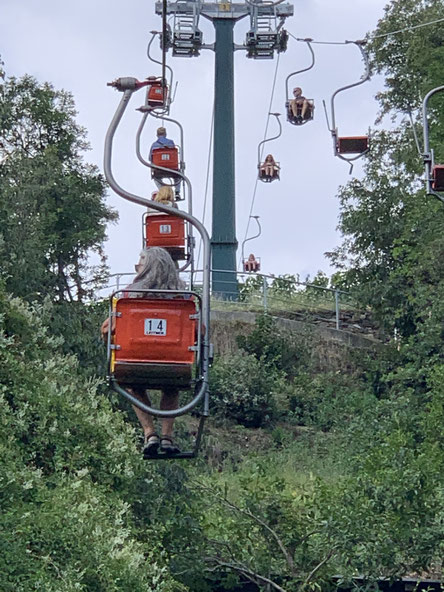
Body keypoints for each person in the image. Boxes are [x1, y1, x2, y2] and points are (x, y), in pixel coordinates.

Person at [101, 247, 185, 456]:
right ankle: (167, 437)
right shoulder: (184, 298)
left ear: (148, 266)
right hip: (175, 360)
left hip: (135, 358)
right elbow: (198, 331)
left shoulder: (127, 296)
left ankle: (150, 433)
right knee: (172, 384)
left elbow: (108, 328)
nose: (137, 264)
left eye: (141, 260)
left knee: (132, 383)